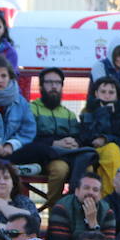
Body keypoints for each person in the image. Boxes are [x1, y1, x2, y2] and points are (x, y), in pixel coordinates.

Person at [30, 68, 93, 205]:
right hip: (43, 156)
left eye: (58, 83)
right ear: (40, 86)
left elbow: (78, 137)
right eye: (49, 82)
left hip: (68, 155)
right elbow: (28, 138)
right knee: (60, 169)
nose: (54, 86)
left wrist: (75, 142)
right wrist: (53, 143)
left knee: (89, 169)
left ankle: (80, 212)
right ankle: (56, 216)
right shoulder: (31, 109)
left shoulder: (68, 113)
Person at [78, 76, 120, 194]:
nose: (107, 95)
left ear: (117, 94)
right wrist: (103, 113)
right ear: (96, 93)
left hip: (117, 152)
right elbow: (86, 138)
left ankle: (109, 200)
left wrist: (106, 139)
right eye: (103, 92)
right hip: (92, 153)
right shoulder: (87, 112)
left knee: (111, 150)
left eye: (111, 92)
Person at [47, 172, 116, 240]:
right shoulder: (61, 209)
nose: (90, 192)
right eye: (86, 188)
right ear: (77, 191)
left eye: (95, 190)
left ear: (100, 195)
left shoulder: (107, 212)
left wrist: (93, 225)